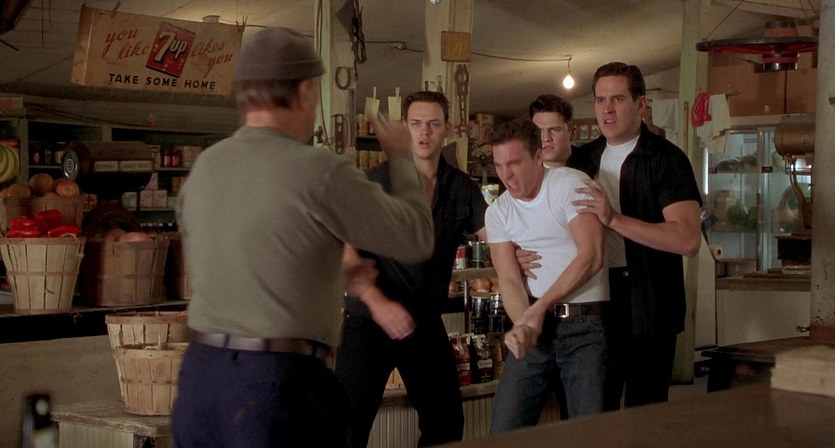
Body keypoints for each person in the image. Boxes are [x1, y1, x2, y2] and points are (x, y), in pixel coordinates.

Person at [170, 27, 434, 448]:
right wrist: (401, 159)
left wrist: (323, 274)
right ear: (304, 92)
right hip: (274, 388)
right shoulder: (318, 170)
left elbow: (237, 262)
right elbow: (415, 237)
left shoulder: (205, 169)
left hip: (201, 381)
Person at [335, 91, 488, 447]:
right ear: (405, 127)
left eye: (433, 124)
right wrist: (377, 302)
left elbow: (495, 236)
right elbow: (343, 246)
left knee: (446, 424)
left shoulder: (461, 188)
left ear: (447, 128)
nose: (425, 132)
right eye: (417, 124)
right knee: (346, 428)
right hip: (369, 318)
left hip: (423, 319)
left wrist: (516, 254)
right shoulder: (375, 181)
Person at [569, 62, 702, 409]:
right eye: (600, 100)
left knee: (645, 412)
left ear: (640, 103)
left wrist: (614, 219)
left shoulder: (667, 160)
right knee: (594, 408)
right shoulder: (582, 160)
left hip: (650, 299)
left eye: (617, 99)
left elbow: (688, 240)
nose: (607, 110)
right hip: (595, 297)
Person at [486, 117, 609, 434]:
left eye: (514, 163)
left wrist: (538, 309)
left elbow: (592, 257)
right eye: (499, 165)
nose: (506, 175)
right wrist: (522, 324)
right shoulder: (497, 212)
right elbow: (509, 278)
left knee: (589, 435)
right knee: (504, 431)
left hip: (585, 328)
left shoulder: (570, 185)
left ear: (538, 157)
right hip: (534, 328)